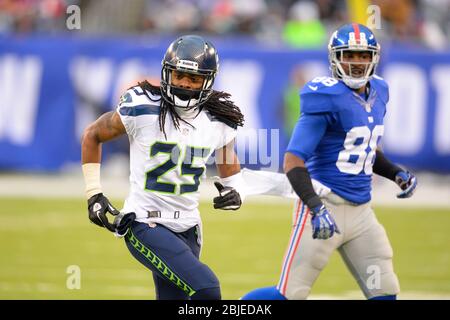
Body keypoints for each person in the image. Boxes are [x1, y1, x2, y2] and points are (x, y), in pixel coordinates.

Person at [241, 23, 417, 300]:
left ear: (374, 57)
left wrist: (395, 173)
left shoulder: (380, 91)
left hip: (362, 213)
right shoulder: (325, 95)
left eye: (363, 55)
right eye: (350, 55)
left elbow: (366, 150)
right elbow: (293, 160)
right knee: (290, 295)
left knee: (385, 292)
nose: (357, 63)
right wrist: (315, 206)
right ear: (335, 57)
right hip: (324, 207)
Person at [81, 35, 245, 300]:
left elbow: (228, 161)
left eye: (194, 79)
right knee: (207, 289)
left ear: (208, 81)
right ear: (167, 73)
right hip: (145, 222)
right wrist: (93, 193)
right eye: (179, 75)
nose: (184, 84)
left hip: (190, 227)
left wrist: (236, 190)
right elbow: (92, 134)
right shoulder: (142, 108)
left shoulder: (218, 119)